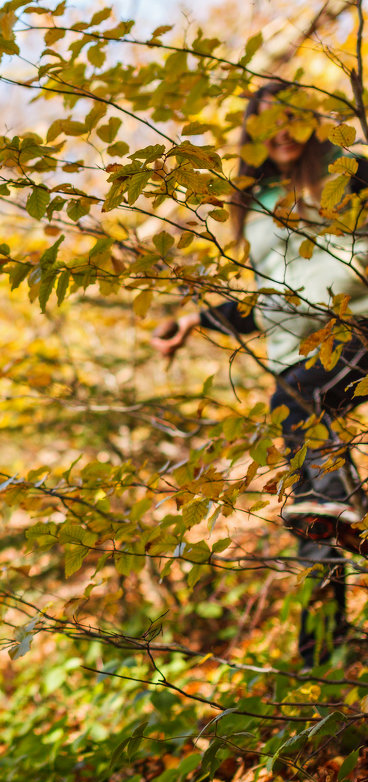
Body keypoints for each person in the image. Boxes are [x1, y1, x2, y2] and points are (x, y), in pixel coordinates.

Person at [151, 82, 368, 665]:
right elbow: (267, 300)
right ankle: (322, 648)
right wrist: (197, 320)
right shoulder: (256, 201)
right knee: (313, 501)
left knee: (307, 437)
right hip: (299, 366)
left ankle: (343, 514)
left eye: (291, 120)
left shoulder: (351, 172)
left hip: (360, 333)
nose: (281, 132)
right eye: (267, 123)